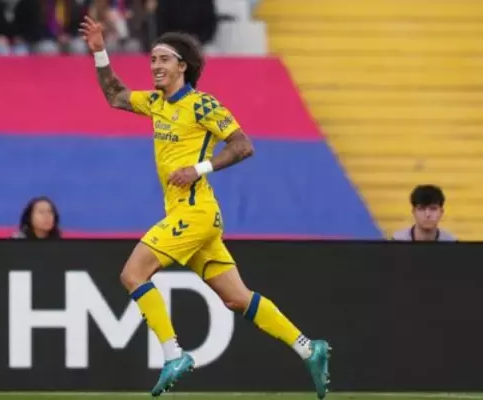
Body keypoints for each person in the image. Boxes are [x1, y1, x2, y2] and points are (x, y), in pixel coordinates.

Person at [80, 16, 331, 398]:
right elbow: (115, 95)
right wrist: (100, 52)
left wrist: (198, 169)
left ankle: (173, 354)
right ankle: (308, 348)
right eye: (153, 59)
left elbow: (243, 145)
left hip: (194, 213)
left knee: (133, 274)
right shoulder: (155, 103)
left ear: (183, 66)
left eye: (164, 59)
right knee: (236, 297)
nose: (156, 66)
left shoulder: (202, 104)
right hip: (191, 217)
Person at [391, 185, 456, 241]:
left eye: (433, 209)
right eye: (421, 208)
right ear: (414, 212)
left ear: (441, 212)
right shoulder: (398, 240)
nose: (427, 214)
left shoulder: (450, 242)